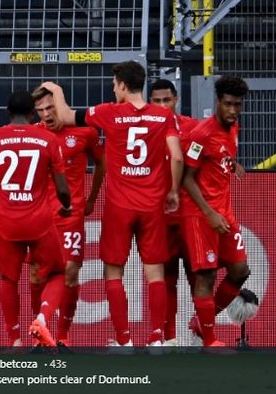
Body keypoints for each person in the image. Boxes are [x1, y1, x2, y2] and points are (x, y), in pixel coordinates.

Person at [41, 61, 183, 348]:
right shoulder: (163, 116)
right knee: (154, 272)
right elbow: (177, 157)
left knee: (113, 271)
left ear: (121, 85)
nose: (112, 89)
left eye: (113, 84)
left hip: (119, 205)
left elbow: (67, 115)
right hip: (152, 204)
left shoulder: (109, 112)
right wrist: (174, 191)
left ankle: (123, 340)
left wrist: (55, 89)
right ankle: (157, 338)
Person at [0, 89, 72, 348]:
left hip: (6, 223)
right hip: (39, 222)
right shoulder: (48, 139)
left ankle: (14, 339)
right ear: (32, 113)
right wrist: (67, 206)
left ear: (8, 113)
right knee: (58, 272)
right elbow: (62, 188)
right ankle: (41, 319)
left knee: (8, 279)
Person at [29, 86, 106, 347]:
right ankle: (40, 333)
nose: (46, 114)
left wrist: (92, 199)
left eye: (50, 107)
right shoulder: (34, 133)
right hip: (39, 218)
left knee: (70, 272)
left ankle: (62, 335)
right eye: (40, 110)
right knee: (37, 276)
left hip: (71, 215)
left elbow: (102, 163)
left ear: (60, 105)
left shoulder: (85, 132)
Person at [181, 75, 251, 348]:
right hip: (202, 215)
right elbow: (187, 178)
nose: (234, 111)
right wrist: (209, 213)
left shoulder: (234, 127)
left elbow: (222, 154)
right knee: (206, 275)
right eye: (229, 105)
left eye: (238, 105)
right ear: (218, 102)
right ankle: (209, 339)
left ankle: (201, 322)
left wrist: (233, 164)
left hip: (225, 212)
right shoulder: (201, 134)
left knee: (241, 271)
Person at [148, 79, 198, 346]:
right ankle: (167, 338)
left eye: (166, 100)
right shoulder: (143, 131)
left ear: (176, 100)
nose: (162, 105)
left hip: (189, 216)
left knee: (198, 277)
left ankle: (201, 334)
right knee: (165, 279)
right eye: (156, 101)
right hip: (158, 216)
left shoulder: (192, 128)